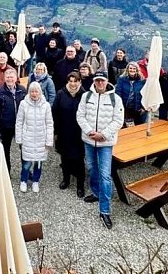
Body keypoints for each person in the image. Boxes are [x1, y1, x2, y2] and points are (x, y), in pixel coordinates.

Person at [76, 72, 124, 230]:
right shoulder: (86, 96)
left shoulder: (115, 99)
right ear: (94, 82)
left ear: (107, 81)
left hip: (106, 142)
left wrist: (103, 134)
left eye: (102, 80)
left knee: (105, 175)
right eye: (97, 80)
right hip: (89, 140)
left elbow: (118, 120)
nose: (100, 83)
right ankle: (96, 193)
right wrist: (90, 132)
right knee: (91, 168)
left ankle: (105, 210)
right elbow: (80, 116)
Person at [15, 81, 54, 194]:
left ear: (40, 92)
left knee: (38, 163)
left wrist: (49, 141)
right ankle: (23, 180)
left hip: (41, 139)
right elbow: (19, 122)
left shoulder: (46, 105)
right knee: (26, 163)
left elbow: (49, 124)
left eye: (36, 91)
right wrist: (19, 139)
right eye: (32, 91)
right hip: (28, 138)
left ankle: (35, 181)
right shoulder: (23, 104)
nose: (34, 94)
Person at [52, 72, 86, 196]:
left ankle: (80, 186)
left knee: (79, 160)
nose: (72, 84)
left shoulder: (85, 95)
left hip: (79, 133)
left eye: (75, 81)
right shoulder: (61, 94)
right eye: (70, 81)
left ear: (79, 82)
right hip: (64, 132)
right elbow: (55, 113)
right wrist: (55, 132)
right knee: (65, 158)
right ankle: (66, 180)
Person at [0, 68, 26, 173]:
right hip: (6, 125)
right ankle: (6, 171)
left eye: (11, 77)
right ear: (4, 78)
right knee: (5, 149)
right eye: (7, 77)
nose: (10, 79)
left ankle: (26, 171)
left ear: (16, 78)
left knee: (24, 149)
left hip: (21, 125)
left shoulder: (22, 90)